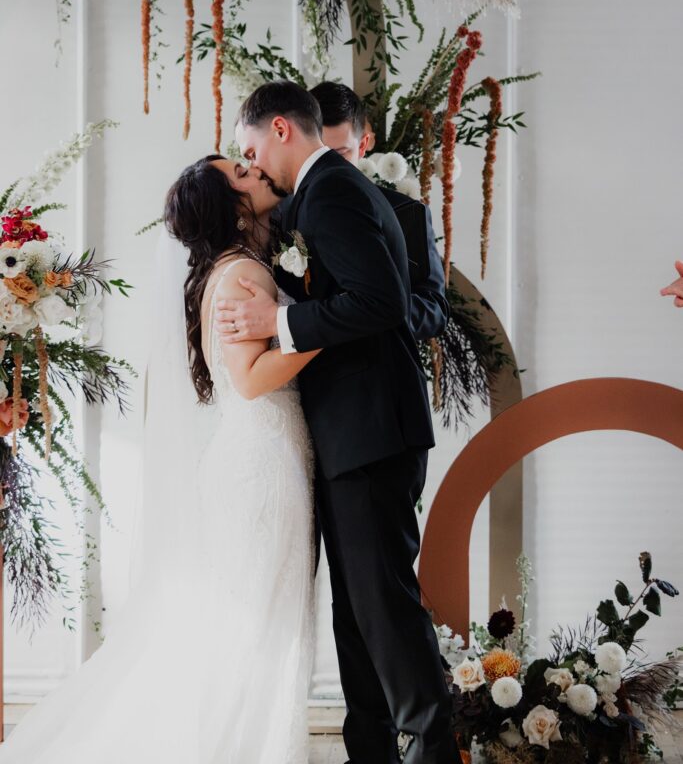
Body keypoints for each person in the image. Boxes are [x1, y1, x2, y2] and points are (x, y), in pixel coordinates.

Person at [0, 154, 319, 764]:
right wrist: (329, 327)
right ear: (230, 207)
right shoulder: (239, 275)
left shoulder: (229, 269)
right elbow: (250, 380)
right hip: (263, 466)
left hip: (260, 458)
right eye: (243, 176)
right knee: (258, 626)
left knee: (256, 622)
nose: (258, 175)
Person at [217, 81, 456, 764]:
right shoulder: (322, 195)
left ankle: (433, 754)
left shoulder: (333, 192)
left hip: (372, 431)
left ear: (282, 131)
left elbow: (381, 303)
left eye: (250, 147)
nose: (254, 162)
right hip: (359, 433)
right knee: (357, 616)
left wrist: (277, 321)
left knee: (383, 611)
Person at [309, 80, 448, 341]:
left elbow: (434, 311)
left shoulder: (407, 212)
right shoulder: (282, 212)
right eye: (318, 155)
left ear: (363, 145)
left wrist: (365, 313)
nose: (325, 168)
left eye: (339, 154)